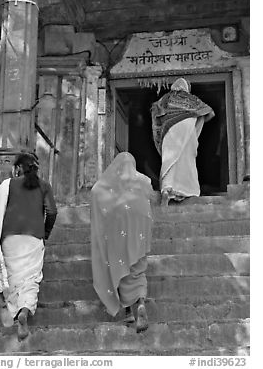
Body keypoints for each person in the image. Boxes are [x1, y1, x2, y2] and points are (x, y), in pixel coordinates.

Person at [0, 152, 57, 340]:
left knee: (12, 280)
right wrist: (45, 233)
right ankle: (25, 309)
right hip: (34, 238)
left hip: (10, 238)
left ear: (18, 168)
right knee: (31, 279)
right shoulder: (44, 186)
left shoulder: (7, 186)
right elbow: (52, 212)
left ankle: (17, 312)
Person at [91, 152, 153, 333]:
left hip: (117, 232)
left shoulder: (107, 184)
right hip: (139, 232)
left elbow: (95, 190)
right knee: (137, 268)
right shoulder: (143, 180)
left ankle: (128, 312)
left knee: (119, 267)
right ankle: (140, 303)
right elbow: (150, 198)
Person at [151, 77, 215, 206]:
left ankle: (167, 188)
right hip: (187, 134)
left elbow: (155, 113)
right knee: (187, 161)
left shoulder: (164, 99)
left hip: (169, 133)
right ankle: (185, 191)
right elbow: (209, 112)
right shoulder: (191, 99)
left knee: (169, 159)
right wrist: (194, 125)